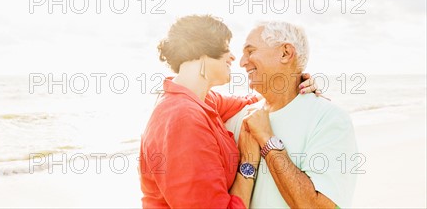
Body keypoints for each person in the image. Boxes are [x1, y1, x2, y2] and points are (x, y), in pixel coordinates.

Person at [139, 15, 317, 208]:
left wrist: (297, 82)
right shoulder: (183, 119)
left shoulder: (203, 100)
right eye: (226, 48)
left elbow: (255, 100)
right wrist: (248, 163)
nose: (234, 58)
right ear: (202, 53)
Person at [225, 21, 358, 208]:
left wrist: (267, 140)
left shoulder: (330, 120)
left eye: (251, 51)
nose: (242, 62)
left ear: (286, 53)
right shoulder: (238, 117)